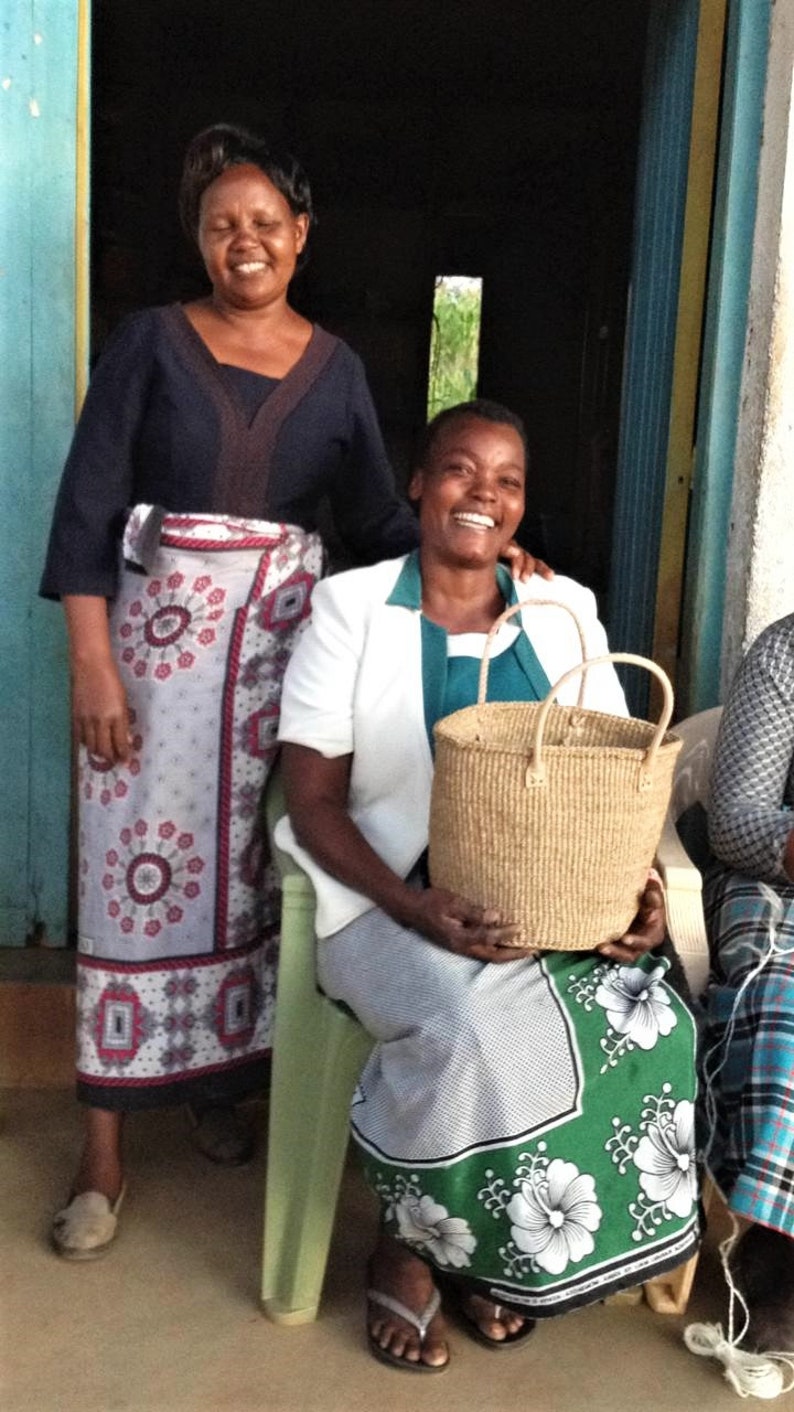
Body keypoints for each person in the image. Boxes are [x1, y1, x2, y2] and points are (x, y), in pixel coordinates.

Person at [40, 124, 546, 1260]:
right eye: (222, 223)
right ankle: (103, 1152)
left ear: (302, 236)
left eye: (266, 221)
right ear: (200, 240)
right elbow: (84, 512)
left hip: (281, 669)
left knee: (253, 889)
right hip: (154, 675)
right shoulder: (148, 346)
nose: (244, 240)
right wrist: (92, 663)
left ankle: (217, 1085)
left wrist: (489, 549)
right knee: (131, 892)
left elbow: (376, 521)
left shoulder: (335, 372)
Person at [276, 399, 700, 1372]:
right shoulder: (350, 609)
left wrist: (629, 888)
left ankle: (495, 1250)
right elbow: (313, 802)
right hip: (384, 897)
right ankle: (412, 1244)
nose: (484, 494)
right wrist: (413, 904)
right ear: (418, 485)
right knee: (475, 1026)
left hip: (539, 899)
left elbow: (606, 784)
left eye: (506, 480)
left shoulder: (564, 611)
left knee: (649, 1015)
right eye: (461, 470)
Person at [701, 611, 794, 1352]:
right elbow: (734, 821)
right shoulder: (785, 654)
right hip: (781, 880)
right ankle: (778, 1249)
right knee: (785, 1002)